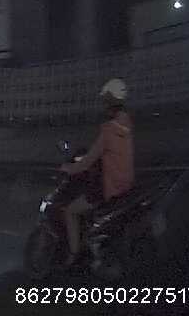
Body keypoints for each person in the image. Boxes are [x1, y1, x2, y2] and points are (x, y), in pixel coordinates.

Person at [60, 78, 134, 267]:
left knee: (70, 211)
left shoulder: (109, 130)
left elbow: (88, 161)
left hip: (109, 186)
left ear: (109, 101)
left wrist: (68, 168)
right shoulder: (126, 124)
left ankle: (74, 254)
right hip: (125, 183)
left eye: (105, 101)